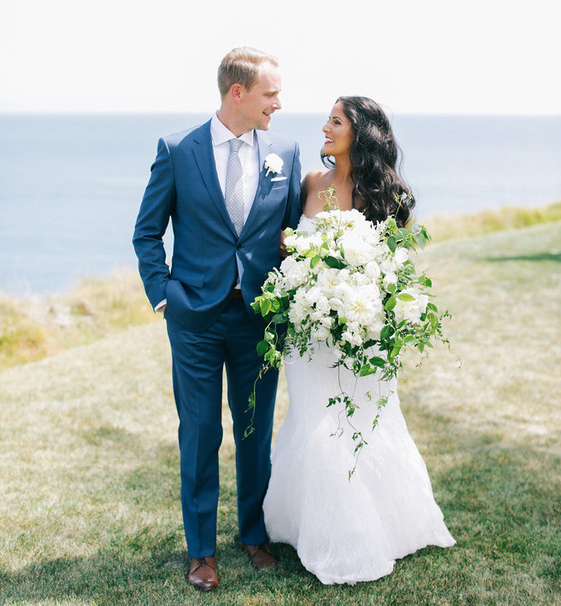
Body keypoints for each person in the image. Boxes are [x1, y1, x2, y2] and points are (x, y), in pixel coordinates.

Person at [262, 96, 455, 585]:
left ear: (361, 133)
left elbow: (390, 267)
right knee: (310, 418)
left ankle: (365, 531)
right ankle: (304, 522)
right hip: (309, 332)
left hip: (358, 334)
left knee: (364, 420)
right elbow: (285, 245)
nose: (325, 127)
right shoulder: (308, 184)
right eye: (328, 119)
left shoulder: (379, 194)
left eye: (336, 121)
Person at [133, 47, 302, 591]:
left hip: (259, 320)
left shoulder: (287, 151)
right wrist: (164, 296)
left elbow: (293, 237)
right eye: (270, 93)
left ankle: (253, 537)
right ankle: (201, 551)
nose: (278, 102)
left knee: (254, 435)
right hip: (195, 321)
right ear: (238, 93)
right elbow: (147, 231)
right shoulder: (178, 149)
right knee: (201, 434)